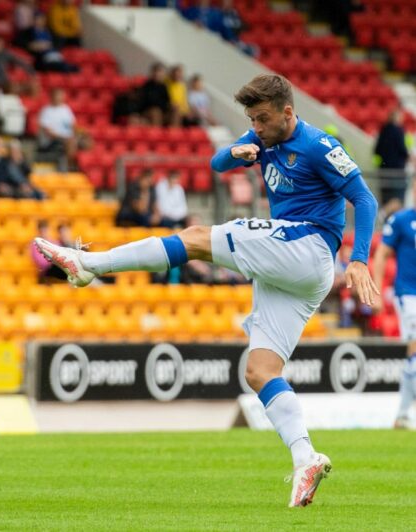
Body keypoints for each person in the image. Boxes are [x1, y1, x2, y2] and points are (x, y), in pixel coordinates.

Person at [35, 74, 380, 508]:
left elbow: (365, 199)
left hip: (308, 247)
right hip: (288, 270)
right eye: (251, 119)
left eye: (263, 118)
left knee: (198, 237)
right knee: (259, 371)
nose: (256, 126)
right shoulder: (261, 135)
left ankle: (89, 264)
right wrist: (234, 153)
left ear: (288, 113)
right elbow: (217, 163)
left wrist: (360, 258)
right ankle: (305, 457)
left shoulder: (320, 146)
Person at [371, 187, 416, 429]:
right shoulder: (401, 220)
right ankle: (403, 414)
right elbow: (381, 254)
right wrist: (377, 291)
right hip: (409, 296)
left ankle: (402, 415)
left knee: (413, 356)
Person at [374, 108, 410, 205]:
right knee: (397, 198)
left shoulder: (383, 130)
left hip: (384, 168)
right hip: (397, 170)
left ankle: (384, 217)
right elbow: (402, 149)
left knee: (385, 197)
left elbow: (377, 150)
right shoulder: (399, 131)